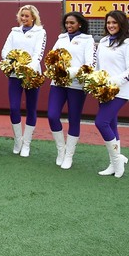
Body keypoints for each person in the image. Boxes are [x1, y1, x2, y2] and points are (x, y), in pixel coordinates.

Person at [94, 11, 129, 178]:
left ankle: (117, 159)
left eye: (114, 22)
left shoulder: (128, 44)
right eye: (108, 22)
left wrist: (112, 81)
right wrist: (96, 80)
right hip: (103, 91)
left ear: (121, 24)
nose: (111, 25)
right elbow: (97, 65)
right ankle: (114, 164)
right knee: (111, 125)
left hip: (120, 91)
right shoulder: (104, 41)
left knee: (101, 122)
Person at [47, 12, 95, 169]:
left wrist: (70, 72)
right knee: (52, 115)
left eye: (72, 23)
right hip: (58, 83)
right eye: (67, 23)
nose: (69, 26)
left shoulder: (87, 40)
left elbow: (89, 64)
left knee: (74, 118)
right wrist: (53, 68)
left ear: (80, 24)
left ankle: (69, 156)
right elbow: (51, 57)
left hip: (76, 85)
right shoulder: (61, 38)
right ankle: (61, 150)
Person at [1, 5, 46, 157]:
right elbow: (5, 51)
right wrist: (13, 63)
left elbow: (38, 53)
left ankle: (26, 143)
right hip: (14, 75)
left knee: (31, 108)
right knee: (14, 107)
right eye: (22, 16)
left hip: (32, 75)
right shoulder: (14, 31)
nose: (24, 18)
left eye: (27, 16)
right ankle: (18, 140)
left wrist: (28, 67)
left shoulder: (40, 32)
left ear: (33, 17)